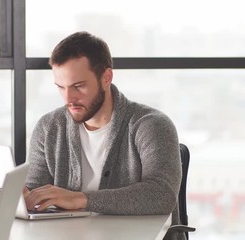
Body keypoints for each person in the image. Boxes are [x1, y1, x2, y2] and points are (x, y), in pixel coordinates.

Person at [23, 31, 184, 240]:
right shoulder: (48, 128)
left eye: (78, 86)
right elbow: (36, 193)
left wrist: (81, 199)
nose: (68, 98)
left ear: (106, 77)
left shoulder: (151, 125)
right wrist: (20, 197)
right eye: (61, 87)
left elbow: (162, 195)